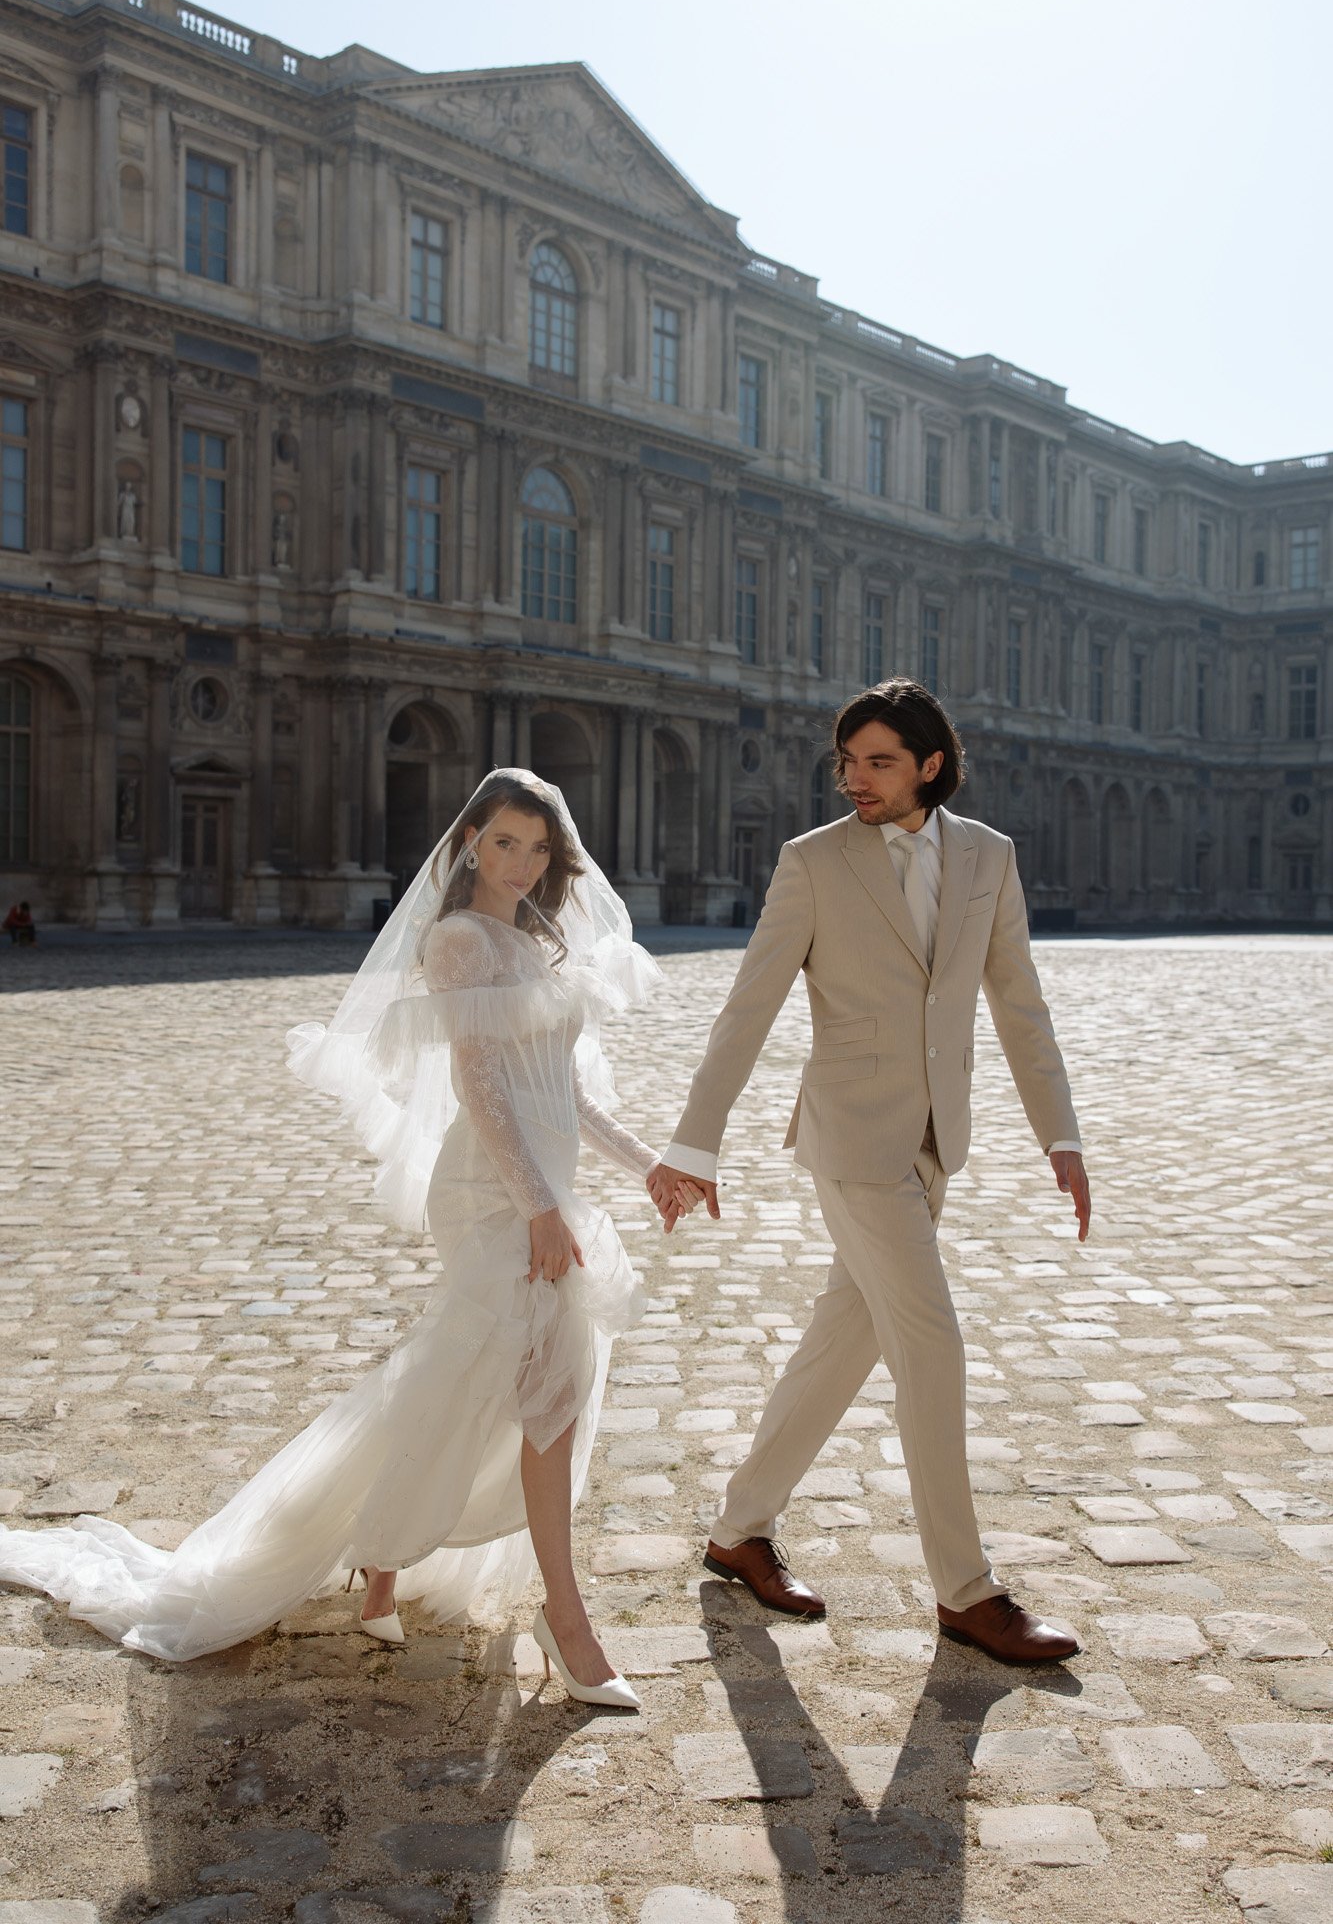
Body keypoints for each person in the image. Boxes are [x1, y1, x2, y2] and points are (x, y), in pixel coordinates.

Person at [0, 771, 697, 1706]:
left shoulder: (535, 944)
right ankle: (562, 1618)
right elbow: (483, 1088)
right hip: (494, 1189)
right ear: (468, 844)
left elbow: (562, 1091)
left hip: (547, 1183)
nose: (521, 864)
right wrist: (537, 1206)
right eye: (503, 844)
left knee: (483, 1382)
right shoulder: (458, 942)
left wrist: (647, 1163)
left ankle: (380, 1563)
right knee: (545, 1390)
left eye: (537, 848)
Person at [650, 679, 1091, 1667]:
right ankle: (965, 1592)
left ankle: (738, 1529)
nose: (856, 778)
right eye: (847, 762)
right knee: (930, 1345)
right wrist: (693, 1142)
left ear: (930, 762)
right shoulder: (813, 863)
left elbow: (1018, 1003)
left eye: (879, 760)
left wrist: (1059, 1135)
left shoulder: (988, 855)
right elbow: (748, 1007)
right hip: (851, 1142)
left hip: (936, 1139)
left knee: (838, 1344)